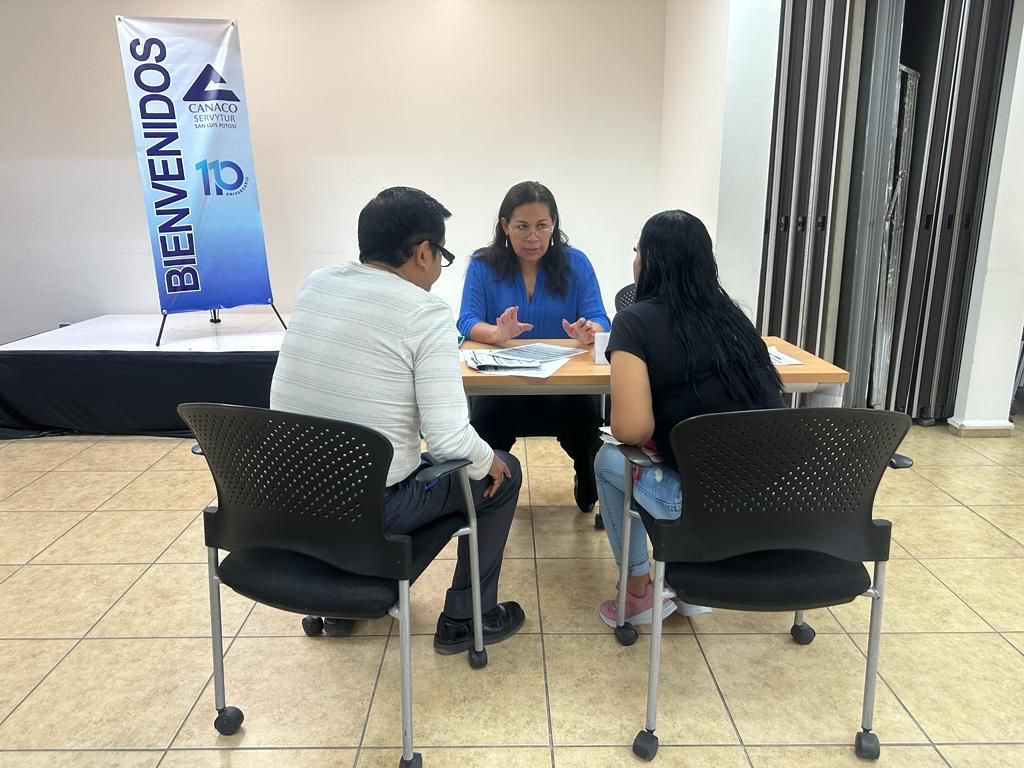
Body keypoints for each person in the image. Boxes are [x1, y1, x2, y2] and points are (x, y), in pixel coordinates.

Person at [270, 186, 526, 654]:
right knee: (502, 472)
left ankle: (341, 606)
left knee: (395, 460)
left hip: (289, 499)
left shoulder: (317, 283)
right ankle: (468, 619)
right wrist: (488, 459)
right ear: (423, 252)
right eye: (441, 254)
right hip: (373, 508)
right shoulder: (424, 312)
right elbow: (449, 440)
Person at [595, 210, 785, 628]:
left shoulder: (635, 321)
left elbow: (631, 430)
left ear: (648, 261)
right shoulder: (733, 317)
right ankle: (687, 589)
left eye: (637, 251)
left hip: (705, 507)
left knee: (608, 460)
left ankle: (639, 592)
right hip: (777, 503)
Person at [457, 181, 610, 513]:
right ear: (505, 226)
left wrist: (588, 331)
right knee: (484, 429)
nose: (533, 237)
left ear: (553, 223)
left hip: (565, 385)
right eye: (522, 227)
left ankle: (588, 486)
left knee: (587, 428)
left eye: (542, 226)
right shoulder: (483, 264)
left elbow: (600, 318)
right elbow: (467, 321)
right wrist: (497, 333)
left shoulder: (576, 263)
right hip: (501, 385)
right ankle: (487, 500)